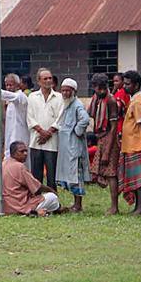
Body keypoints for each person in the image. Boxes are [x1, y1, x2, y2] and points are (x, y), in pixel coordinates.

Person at [0, 142, 62, 216]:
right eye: (22, 151)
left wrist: (3, 185)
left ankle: (46, 210)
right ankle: (40, 211)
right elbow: (37, 187)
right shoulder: (20, 166)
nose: (25, 154)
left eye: (26, 151)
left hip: (5, 206)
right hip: (21, 205)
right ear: (13, 153)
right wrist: (51, 190)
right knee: (52, 197)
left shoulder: (3, 164)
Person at [87, 73, 122, 214]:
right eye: (97, 88)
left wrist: (107, 150)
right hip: (100, 137)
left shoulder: (111, 101)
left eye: (103, 88)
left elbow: (114, 128)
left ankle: (115, 206)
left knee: (111, 172)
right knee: (101, 171)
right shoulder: (96, 99)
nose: (100, 91)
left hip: (110, 138)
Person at [55, 78, 92, 212]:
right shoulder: (65, 104)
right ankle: (75, 203)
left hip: (74, 146)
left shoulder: (77, 104)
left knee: (76, 174)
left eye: (67, 90)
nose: (65, 93)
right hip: (66, 146)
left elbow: (85, 119)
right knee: (69, 174)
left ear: (74, 91)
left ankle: (78, 204)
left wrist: (77, 131)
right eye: (63, 90)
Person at [119, 70, 141, 215]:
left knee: (139, 179)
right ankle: (137, 207)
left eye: (128, 84)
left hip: (136, 144)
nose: (125, 86)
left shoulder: (138, 102)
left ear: (136, 85)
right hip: (130, 145)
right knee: (134, 178)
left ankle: (140, 207)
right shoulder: (133, 100)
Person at [27, 68, 63, 189]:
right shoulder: (32, 96)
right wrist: (42, 132)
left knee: (52, 175)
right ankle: (37, 202)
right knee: (36, 175)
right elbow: (29, 117)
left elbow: (61, 118)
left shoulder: (59, 97)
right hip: (36, 141)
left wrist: (49, 133)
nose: (48, 81)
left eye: (50, 78)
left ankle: (53, 202)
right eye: (45, 78)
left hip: (52, 142)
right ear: (39, 81)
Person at [2, 73, 31, 161]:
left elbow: (10, 96)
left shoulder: (21, 97)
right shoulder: (10, 101)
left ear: (18, 85)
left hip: (19, 135)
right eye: (6, 85)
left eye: (11, 85)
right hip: (10, 136)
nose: (8, 87)